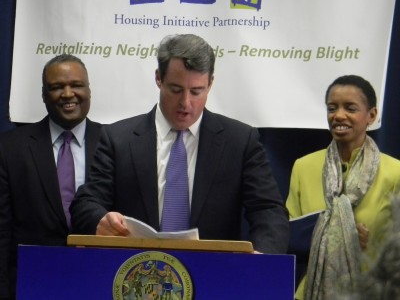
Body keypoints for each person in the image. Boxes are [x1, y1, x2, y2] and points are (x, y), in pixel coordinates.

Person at [70, 33, 289, 254]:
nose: (186, 103)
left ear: (210, 83)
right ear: (159, 79)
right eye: (176, 90)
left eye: (196, 91)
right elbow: (85, 203)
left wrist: (263, 258)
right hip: (136, 274)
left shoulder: (240, 141)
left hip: (215, 275)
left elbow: (268, 210)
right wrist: (100, 220)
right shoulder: (118, 139)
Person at [286, 75, 400, 300]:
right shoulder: (303, 167)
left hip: (371, 292)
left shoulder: (395, 172)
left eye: (350, 108)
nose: (338, 115)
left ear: (372, 115)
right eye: (332, 108)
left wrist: (370, 246)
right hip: (308, 291)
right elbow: (290, 238)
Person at [0, 54, 102, 300]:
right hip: (32, 282)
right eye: (57, 87)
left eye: (76, 85)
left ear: (89, 90)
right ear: (44, 95)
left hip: (99, 278)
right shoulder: (9, 148)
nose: (68, 94)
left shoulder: (116, 144)